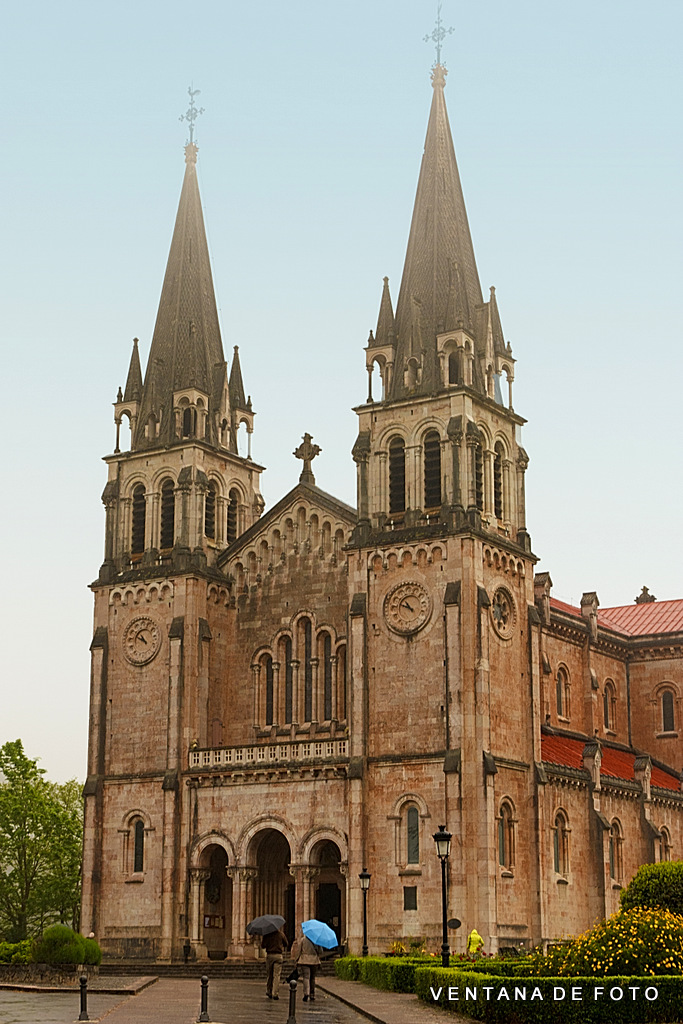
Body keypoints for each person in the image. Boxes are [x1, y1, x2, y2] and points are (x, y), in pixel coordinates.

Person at [291, 925, 321, 1002]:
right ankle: (312, 994)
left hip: (304, 961)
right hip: (314, 961)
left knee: (306, 977)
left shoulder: (302, 940)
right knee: (312, 978)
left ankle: (306, 993)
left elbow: (298, 951)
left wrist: (296, 960)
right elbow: (321, 951)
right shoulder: (316, 941)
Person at [262, 927, 288, 999]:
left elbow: (262, 945)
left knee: (269, 974)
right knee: (277, 975)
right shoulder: (281, 934)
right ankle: (275, 993)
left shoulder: (267, 935)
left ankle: (269, 991)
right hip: (278, 955)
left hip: (270, 955)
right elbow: (286, 943)